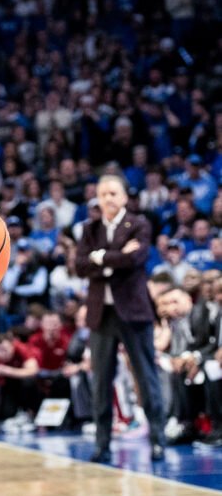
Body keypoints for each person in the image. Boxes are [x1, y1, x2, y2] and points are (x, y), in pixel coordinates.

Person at [74, 175, 167, 463]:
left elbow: (135, 259)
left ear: (125, 197)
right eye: (103, 194)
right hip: (102, 314)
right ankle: (102, 445)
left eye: (113, 193)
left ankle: (158, 441)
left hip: (134, 312)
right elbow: (80, 266)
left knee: (146, 377)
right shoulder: (90, 228)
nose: (108, 198)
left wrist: (100, 258)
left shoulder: (139, 224)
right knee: (101, 382)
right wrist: (112, 257)